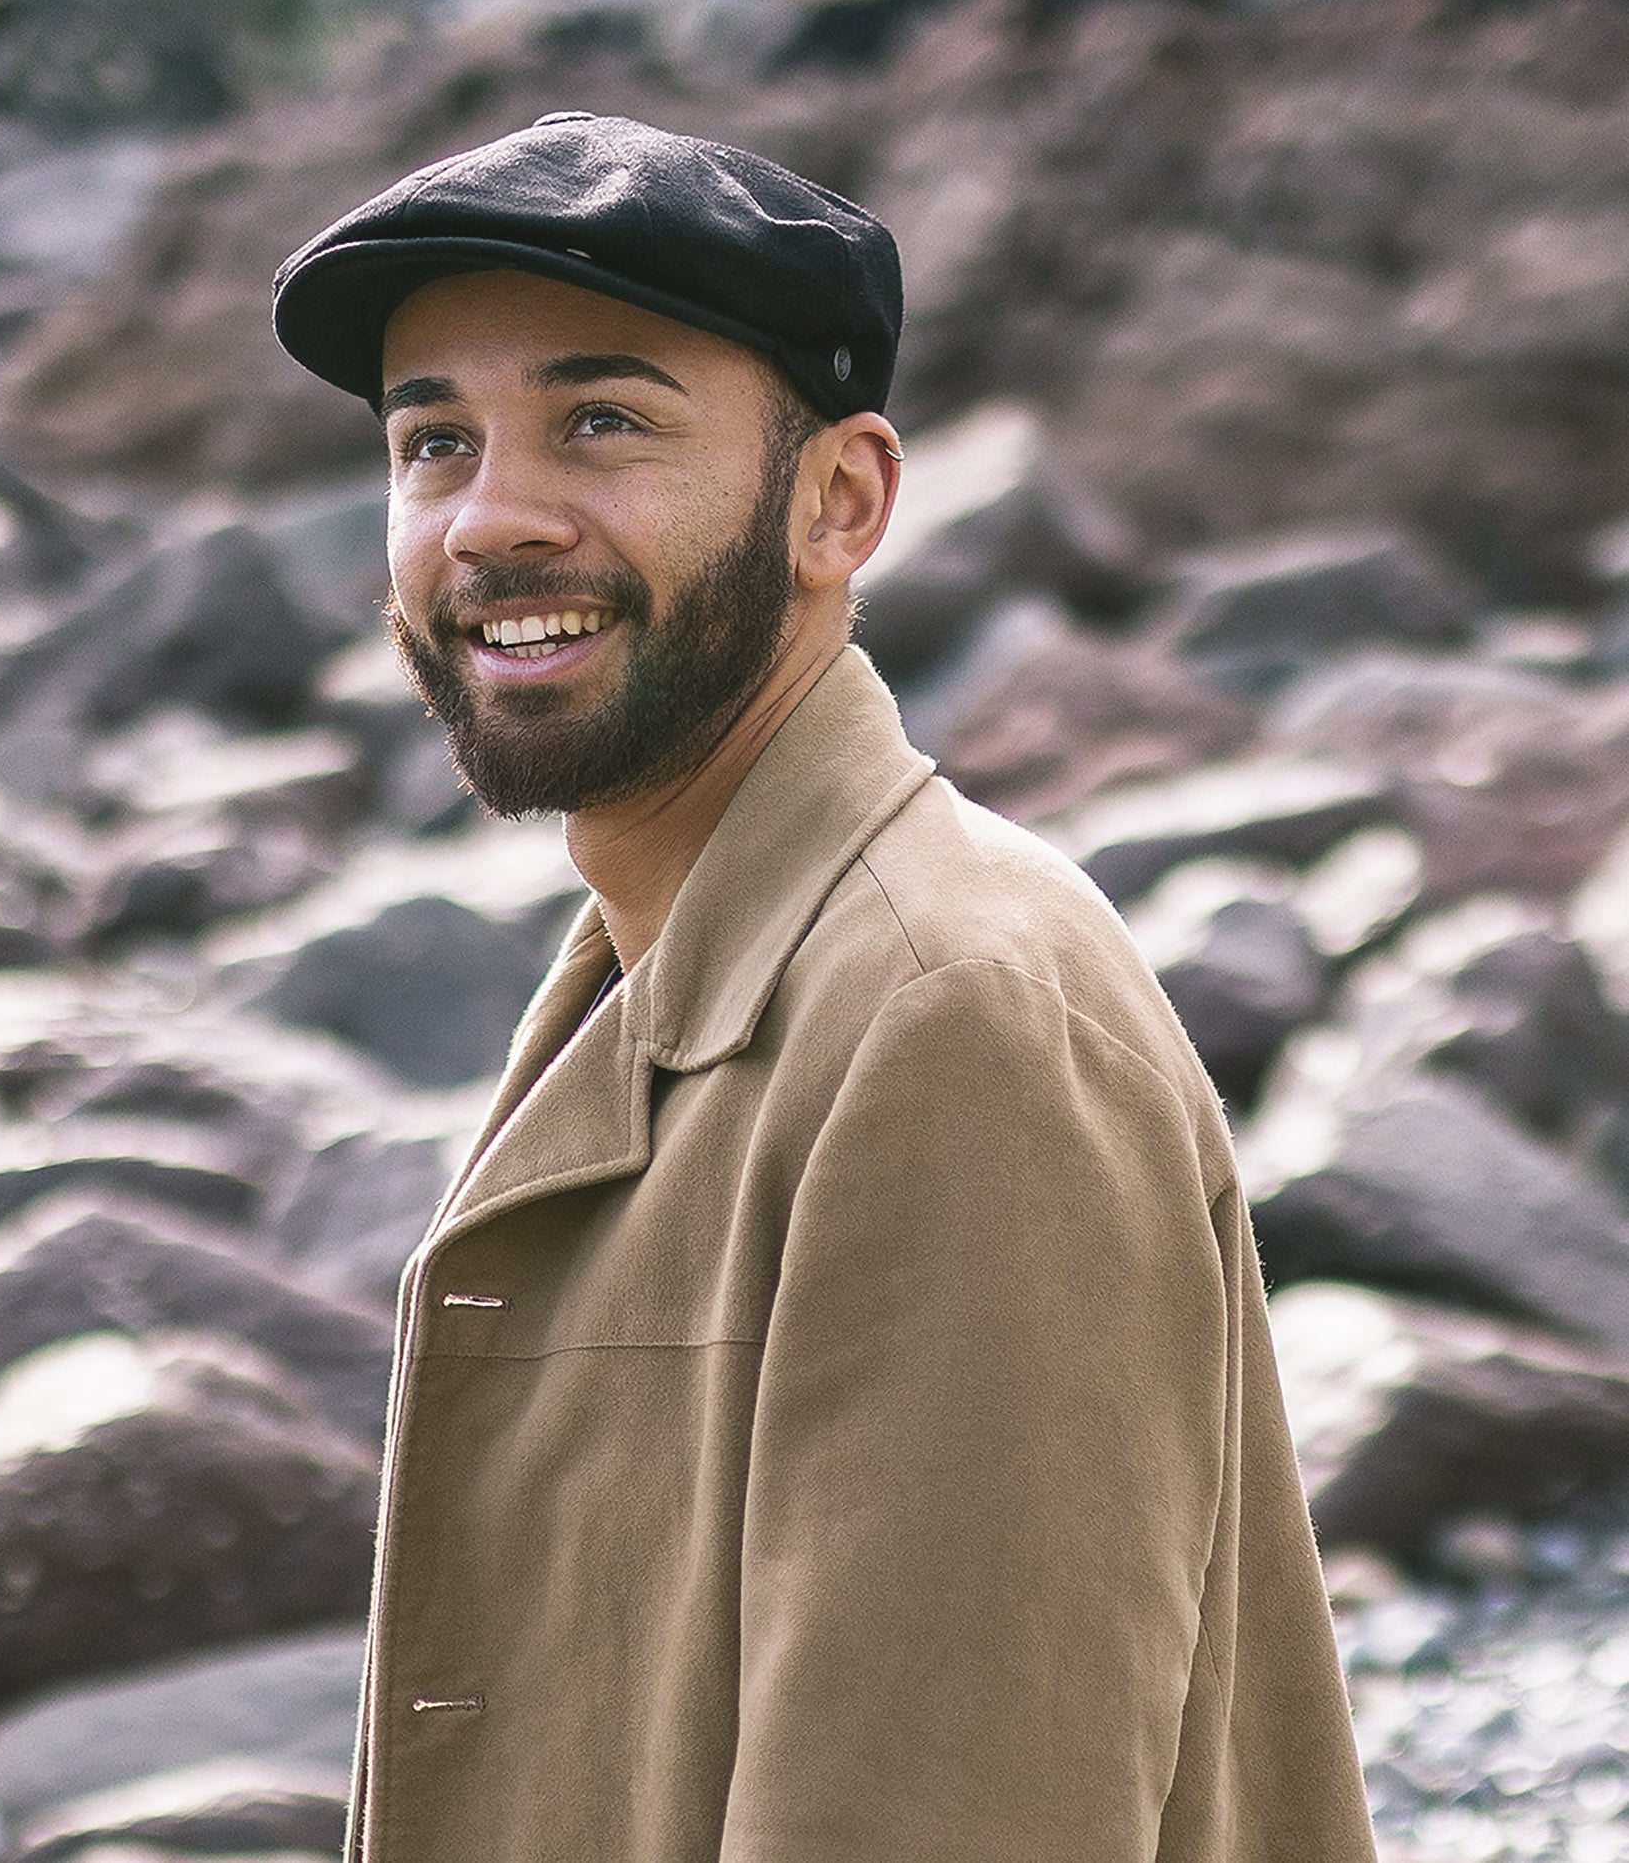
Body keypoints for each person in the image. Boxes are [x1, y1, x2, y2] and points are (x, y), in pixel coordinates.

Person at [271, 110, 1377, 1863]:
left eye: (602, 421)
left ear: (837, 502)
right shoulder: (673, 962)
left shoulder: (951, 1016)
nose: (490, 520)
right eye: (433, 444)